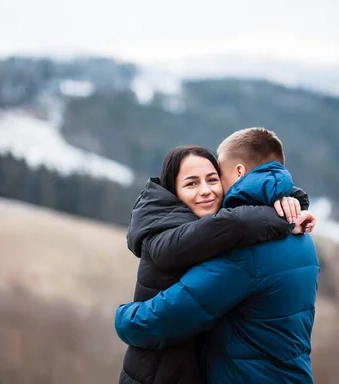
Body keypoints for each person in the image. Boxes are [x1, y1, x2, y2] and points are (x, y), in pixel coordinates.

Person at [116, 128, 320, 383]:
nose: (210, 190)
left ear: (239, 172)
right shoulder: (300, 233)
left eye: (216, 178)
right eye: (191, 183)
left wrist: (123, 317)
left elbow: (165, 318)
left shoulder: (248, 246)